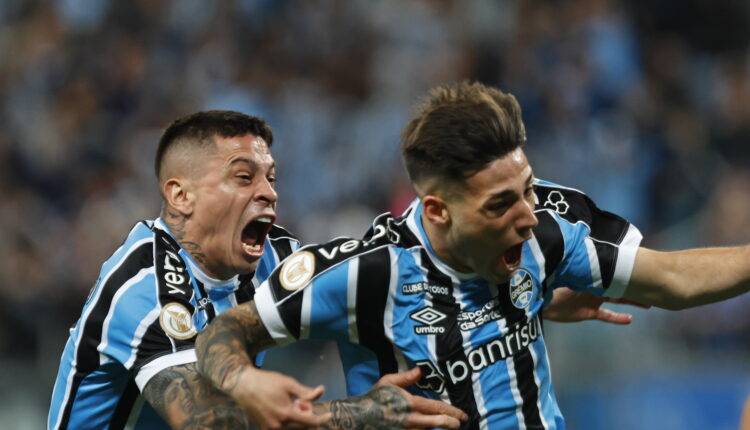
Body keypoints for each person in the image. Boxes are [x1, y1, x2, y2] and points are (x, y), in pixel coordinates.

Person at [194, 82, 750, 429]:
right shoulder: (366, 272)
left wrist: (542, 297)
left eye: (529, 188)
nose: (527, 215)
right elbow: (221, 335)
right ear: (438, 211)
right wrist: (268, 391)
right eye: (501, 204)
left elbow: (670, 278)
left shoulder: (544, 230)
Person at [47, 110, 469, 429]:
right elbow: (210, 422)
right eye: (244, 177)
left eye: (271, 177)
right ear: (180, 195)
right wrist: (355, 414)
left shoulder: (271, 255)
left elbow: (371, 278)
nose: (269, 192)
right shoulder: (143, 287)